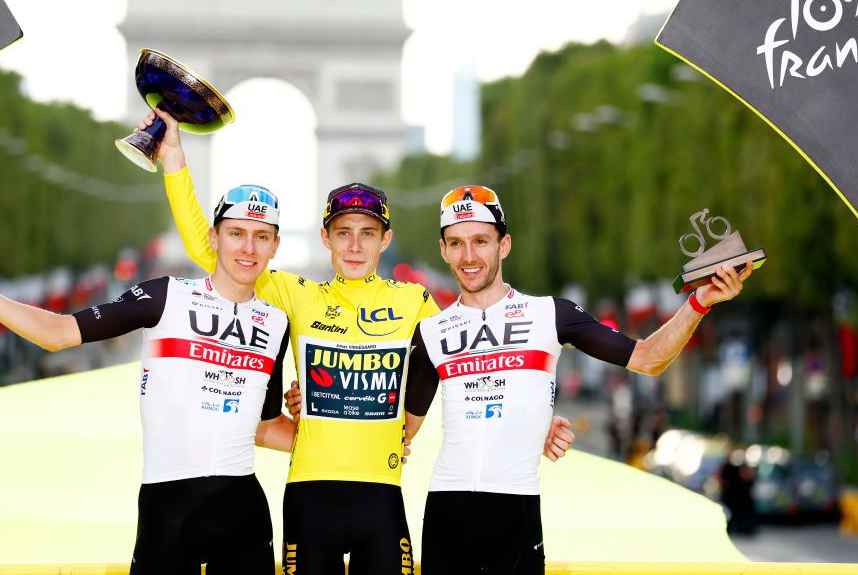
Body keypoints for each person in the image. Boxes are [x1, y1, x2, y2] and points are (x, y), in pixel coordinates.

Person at [140, 110, 577, 575]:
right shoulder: (295, 294)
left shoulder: (414, 300)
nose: (354, 246)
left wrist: (532, 418)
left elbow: (483, 357)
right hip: (309, 497)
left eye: (367, 234)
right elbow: (210, 251)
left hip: (382, 499)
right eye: (343, 233)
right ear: (325, 238)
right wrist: (175, 160)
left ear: (385, 240)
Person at [0, 183, 296, 575]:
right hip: (168, 508)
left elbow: (266, 427)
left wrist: (325, 424)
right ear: (213, 238)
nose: (248, 248)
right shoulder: (166, 295)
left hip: (243, 511)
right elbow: (59, 332)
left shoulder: (276, 322)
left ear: (275, 246)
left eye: (261, 237)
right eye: (236, 233)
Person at [402, 185, 752, 575]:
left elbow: (648, 358)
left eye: (481, 241)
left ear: (504, 245)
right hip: (445, 512)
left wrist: (699, 303)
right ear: (443, 250)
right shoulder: (430, 332)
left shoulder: (550, 314)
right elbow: (401, 432)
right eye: (457, 243)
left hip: (514, 511)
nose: (469, 256)